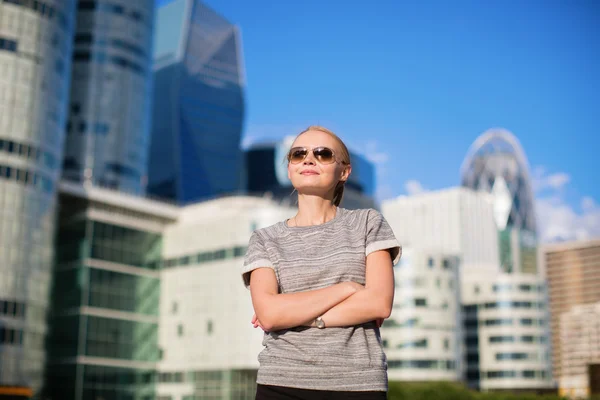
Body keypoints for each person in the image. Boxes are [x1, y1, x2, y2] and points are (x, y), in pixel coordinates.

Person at [241, 126, 401, 400]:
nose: (309, 159)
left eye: (323, 154)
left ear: (344, 171)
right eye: (298, 154)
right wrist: (348, 288)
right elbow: (269, 314)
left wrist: (293, 312)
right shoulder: (265, 239)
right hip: (281, 383)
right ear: (289, 169)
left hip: (358, 384)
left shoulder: (368, 223)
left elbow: (378, 303)